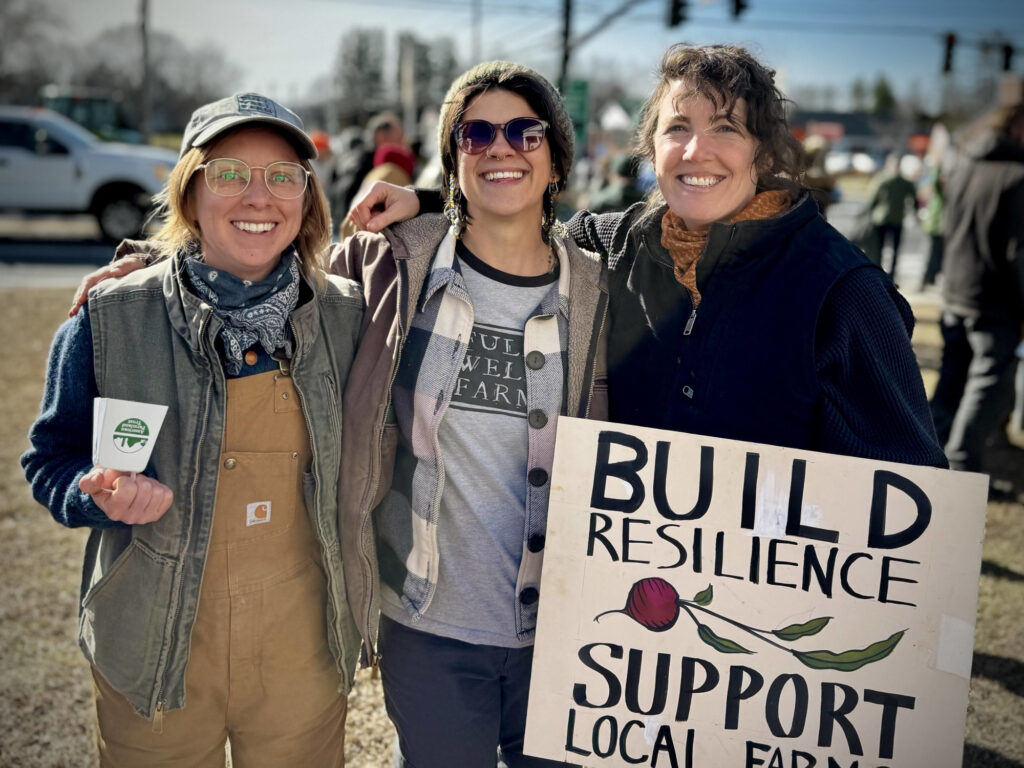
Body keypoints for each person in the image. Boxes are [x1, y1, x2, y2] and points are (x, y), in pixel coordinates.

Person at [352, 44, 946, 470]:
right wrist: (430, 197)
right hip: (623, 619)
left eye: (726, 129)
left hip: (764, 620)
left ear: (764, 154)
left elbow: (905, 491)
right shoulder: (609, 246)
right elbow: (518, 217)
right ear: (651, 150)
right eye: (677, 127)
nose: (696, 150)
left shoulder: (842, 292)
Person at [25, 92, 364, 766]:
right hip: (151, 655)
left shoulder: (349, 316)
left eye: (283, 176)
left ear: (307, 197)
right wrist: (91, 490)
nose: (258, 197)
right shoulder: (108, 318)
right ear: (189, 193)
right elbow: (50, 459)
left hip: (302, 655)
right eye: (229, 174)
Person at [333, 60, 606, 768]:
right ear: (454, 157)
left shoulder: (600, 288)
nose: (501, 147)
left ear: (556, 159)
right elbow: (267, 276)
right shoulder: (391, 262)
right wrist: (151, 271)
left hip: (565, 628)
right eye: (476, 133)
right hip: (427, 624)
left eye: (525, 131)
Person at [928, 102, 1024, 483]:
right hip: (993, 300)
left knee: (953, 380)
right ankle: (961, 467)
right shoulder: (1017, 177)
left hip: (957, 291)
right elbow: (1019, 254)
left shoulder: (966, 166)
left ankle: (927, 456)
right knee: (987, 383)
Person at [864, 153, 919, 277]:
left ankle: (877, 273)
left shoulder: (882, 179)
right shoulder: (905, 182)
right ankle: (892, 274)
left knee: (878, 249)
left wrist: (869, 212)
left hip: (880, 218)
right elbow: (914, 199)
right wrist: (914, 212)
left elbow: (873, 198)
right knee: (895, 249)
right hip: (897, 218)